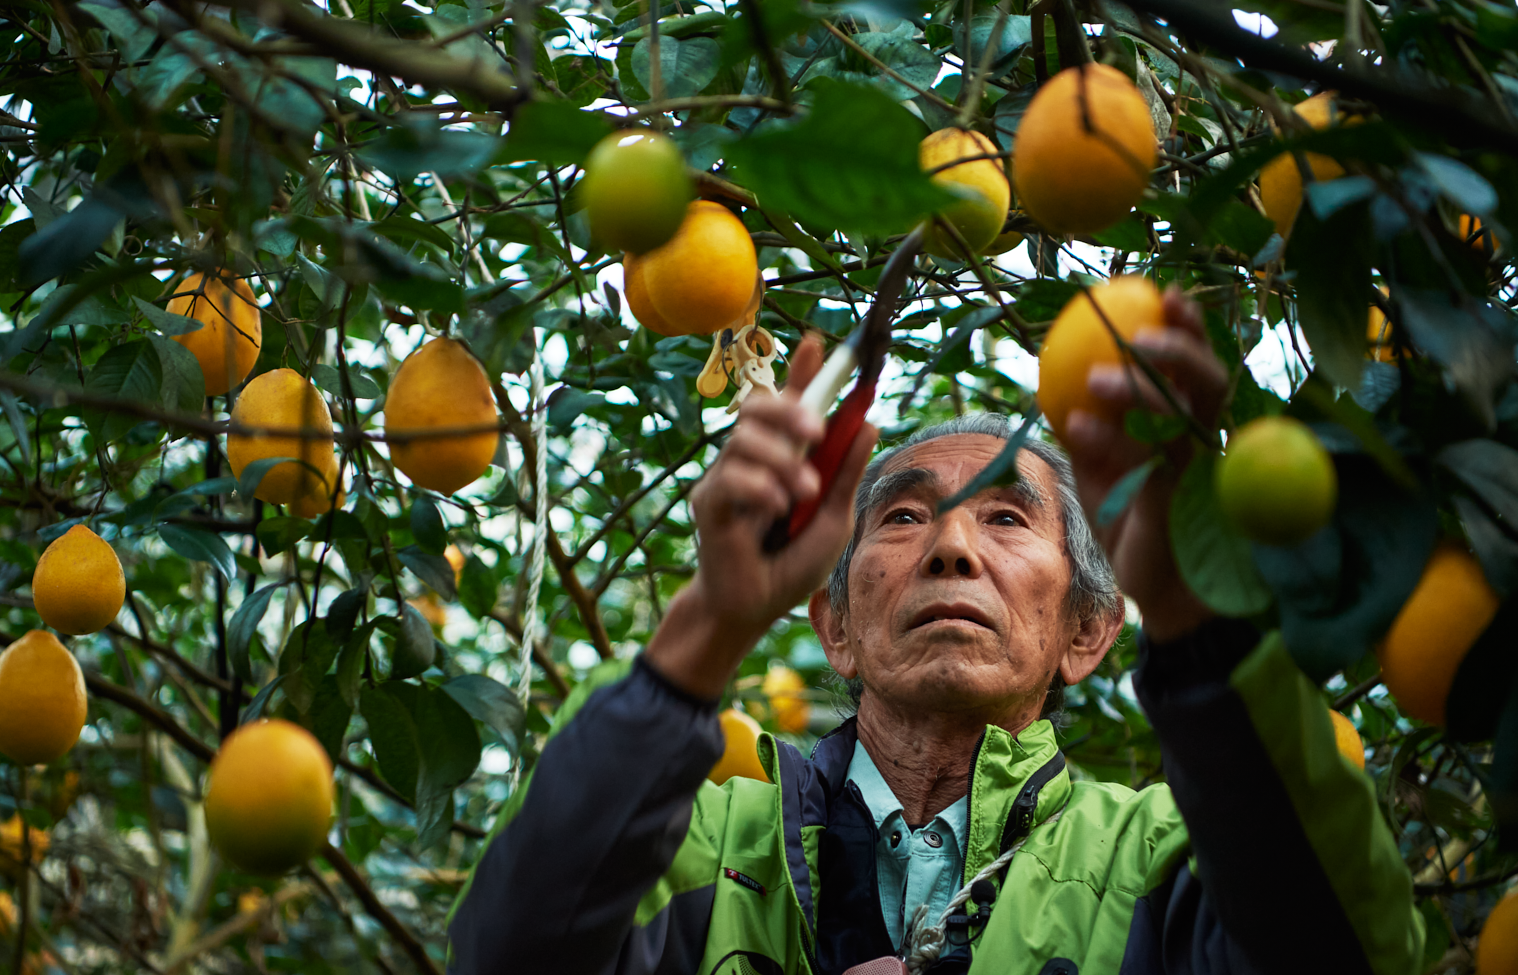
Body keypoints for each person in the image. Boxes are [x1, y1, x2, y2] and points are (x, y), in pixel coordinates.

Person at [448, 291, 1422, 975]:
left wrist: (1193, 617)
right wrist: (710, 622)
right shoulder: (705, 842)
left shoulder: (1159, 858)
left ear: (1088, 630)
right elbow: (508, 954)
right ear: (834, 627)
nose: (951, 546)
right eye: (905, 516)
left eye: (1005, 517)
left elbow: (1342, 954)